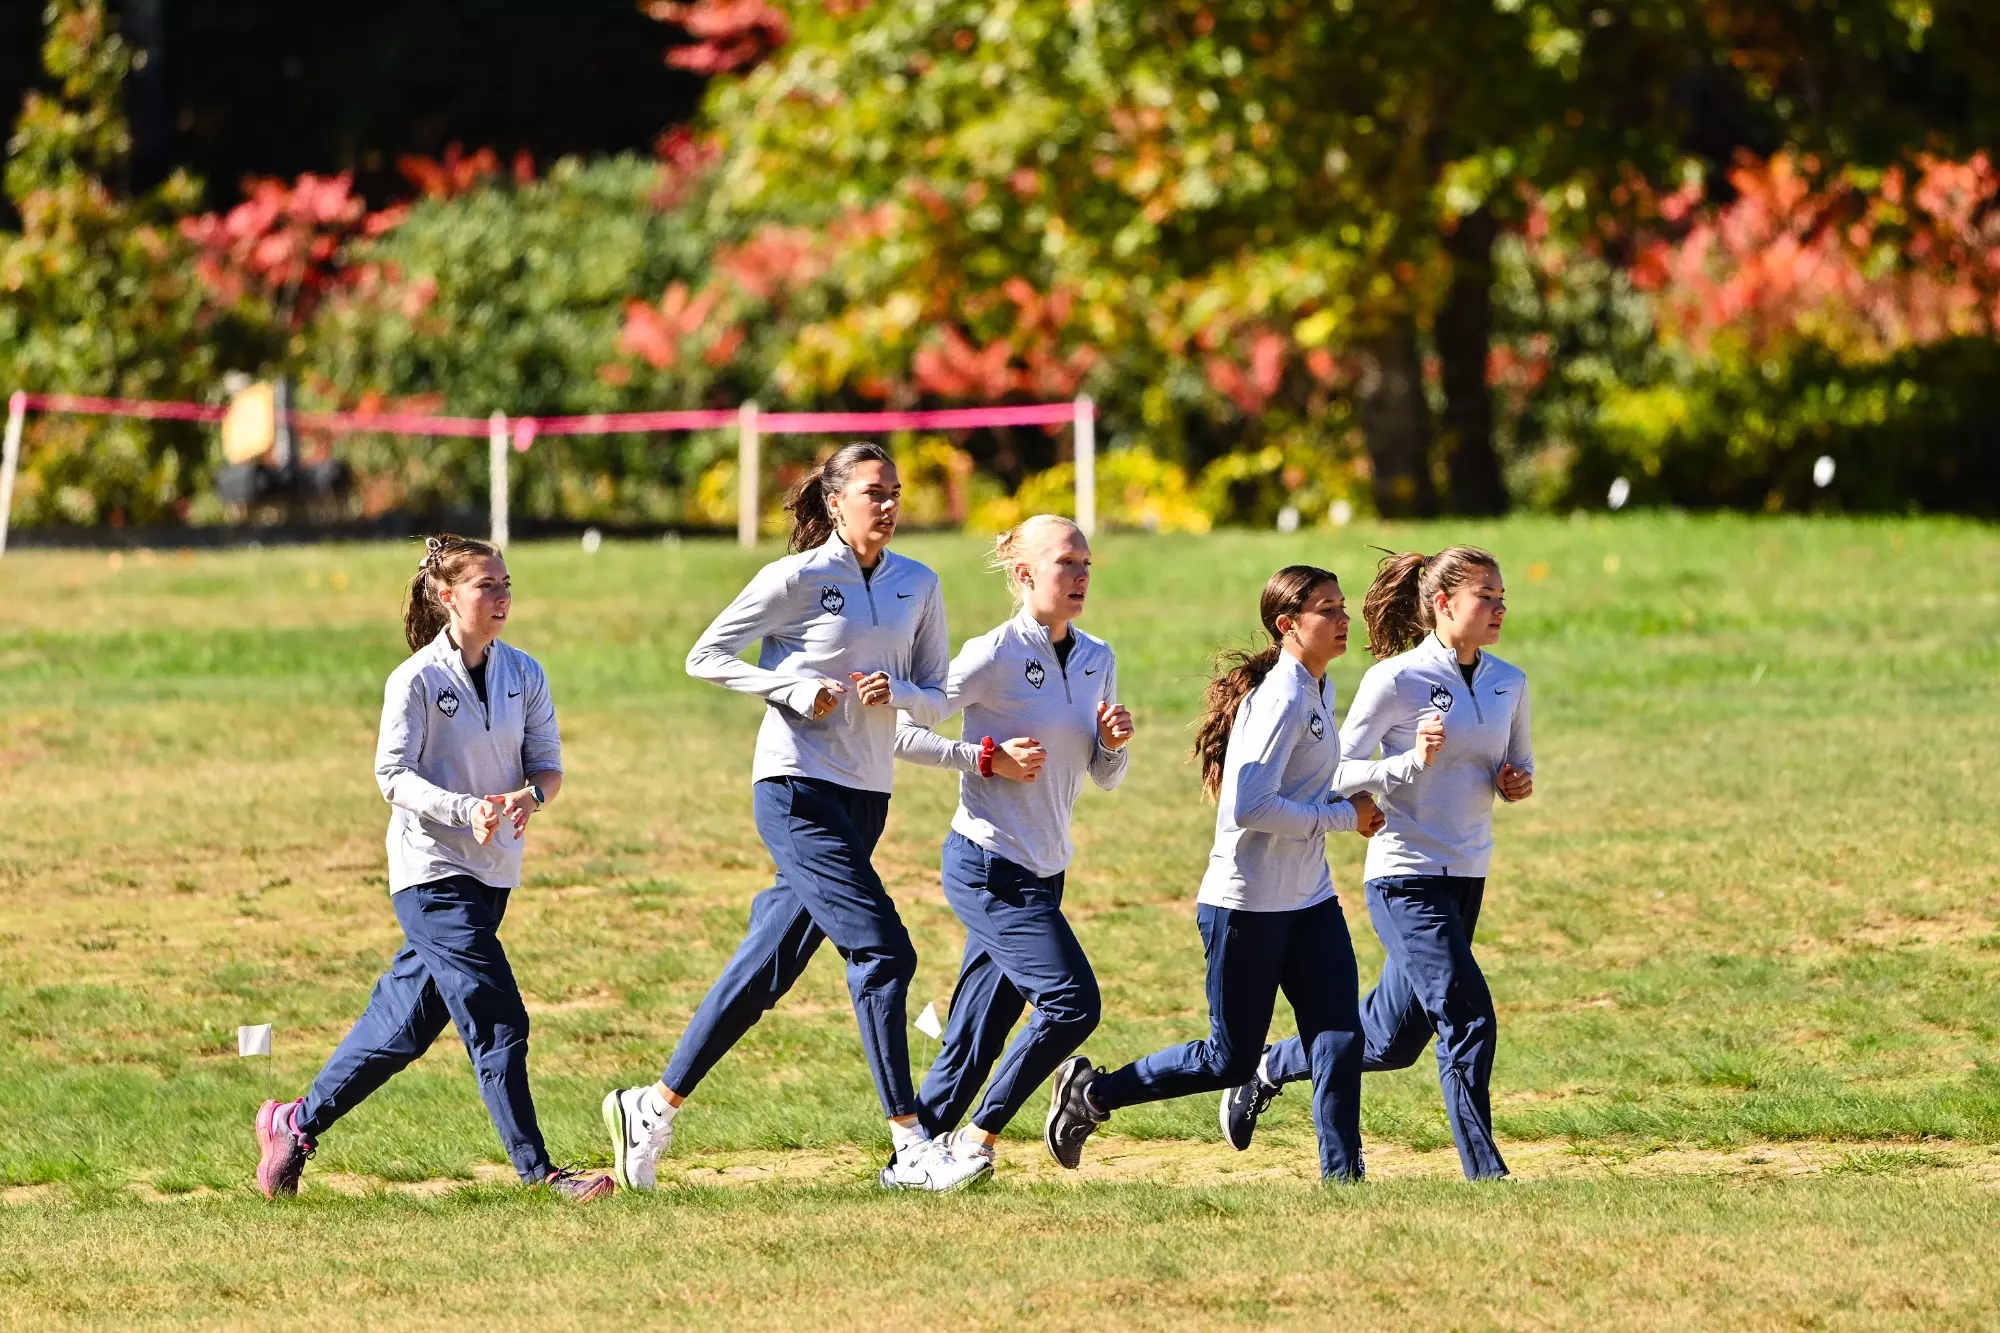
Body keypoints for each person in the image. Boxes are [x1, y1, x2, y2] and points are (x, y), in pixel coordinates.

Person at [602, 442, 989, 1193]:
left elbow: (940, 695)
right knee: (886, 953)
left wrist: (900, 695)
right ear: (836, 501)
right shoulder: (798, 576)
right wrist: (788, 687)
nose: (888, 503)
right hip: (794, 789)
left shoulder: (919, 584)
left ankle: (650, 1107)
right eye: (873, 491)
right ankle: (910, 1142)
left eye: (896, 491)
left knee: (767, 967)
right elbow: (705, 655)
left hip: (866, 797)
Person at [254, 534, 611, 1202]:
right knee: (499, 1018)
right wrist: (463, 808)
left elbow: (550, 767)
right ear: (448, 596)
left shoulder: (525, 672)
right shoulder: (416, 679)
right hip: (430, 873)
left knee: (401, 1028)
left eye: (507, 583)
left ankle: (293, 1123)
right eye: (488, 586)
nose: (503, 597)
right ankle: (541, 1174)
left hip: (492, 873)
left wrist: (530, 796)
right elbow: (392, 775)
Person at [1041, 566, 1383, 1182]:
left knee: (1338, 1037)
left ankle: (1344, 1179)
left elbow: (1311, 785)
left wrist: (1389, 780)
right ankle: (1093, 1095)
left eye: (1343, 607)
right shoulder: (1279, 699)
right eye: (1328, 610)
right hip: (1246, 907)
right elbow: (1248, 807)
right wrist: (1340, 817)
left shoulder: (1321, 690)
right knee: (1230, 1059)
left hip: (1309, 901)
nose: (1343, 620)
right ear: (1288, 626)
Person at [1222, 545, 1532, 1182]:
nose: (1500, 608)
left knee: (1390, 1041)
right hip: (1404, 873)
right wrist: (1408, 762)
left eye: (1502, 597)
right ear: (1443, 604)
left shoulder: (1510, 681)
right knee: (1467, 1014)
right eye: (1486, 597)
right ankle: (1487, 1175)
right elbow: (1336, 773)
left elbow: (1512, 767)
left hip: (1468, 871)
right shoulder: (1395, 681)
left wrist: (1512, 780)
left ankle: (1270, 1066)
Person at [892, 514, 1134, 1182]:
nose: (1082, 576)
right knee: (1072, 1001)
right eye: (1066, 564)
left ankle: (910, 1159)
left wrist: (1113, 742)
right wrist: (983, 758)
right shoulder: (992, 652)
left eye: (1086, 563)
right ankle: (979, 1137)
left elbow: (1106, 776)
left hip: (1045, 870)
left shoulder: (1097, 658)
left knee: (975, 1035)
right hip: (987, 863)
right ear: (1025, 574)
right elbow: (900, 733)